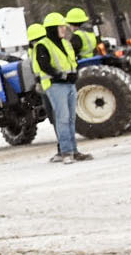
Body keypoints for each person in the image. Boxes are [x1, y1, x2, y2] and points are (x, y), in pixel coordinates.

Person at [30, 10, 91, 163]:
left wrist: (73, 74)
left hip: (69, 85)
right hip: (56, 85)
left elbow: (72, 62)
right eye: (61, 26)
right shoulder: (43, 45)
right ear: (52, 28)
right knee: (62, 118)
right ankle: (66, 152)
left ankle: (74, 150)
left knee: (71, 119)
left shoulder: (66, 43)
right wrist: (62, 76)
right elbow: (45, 66)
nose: (65, 29)